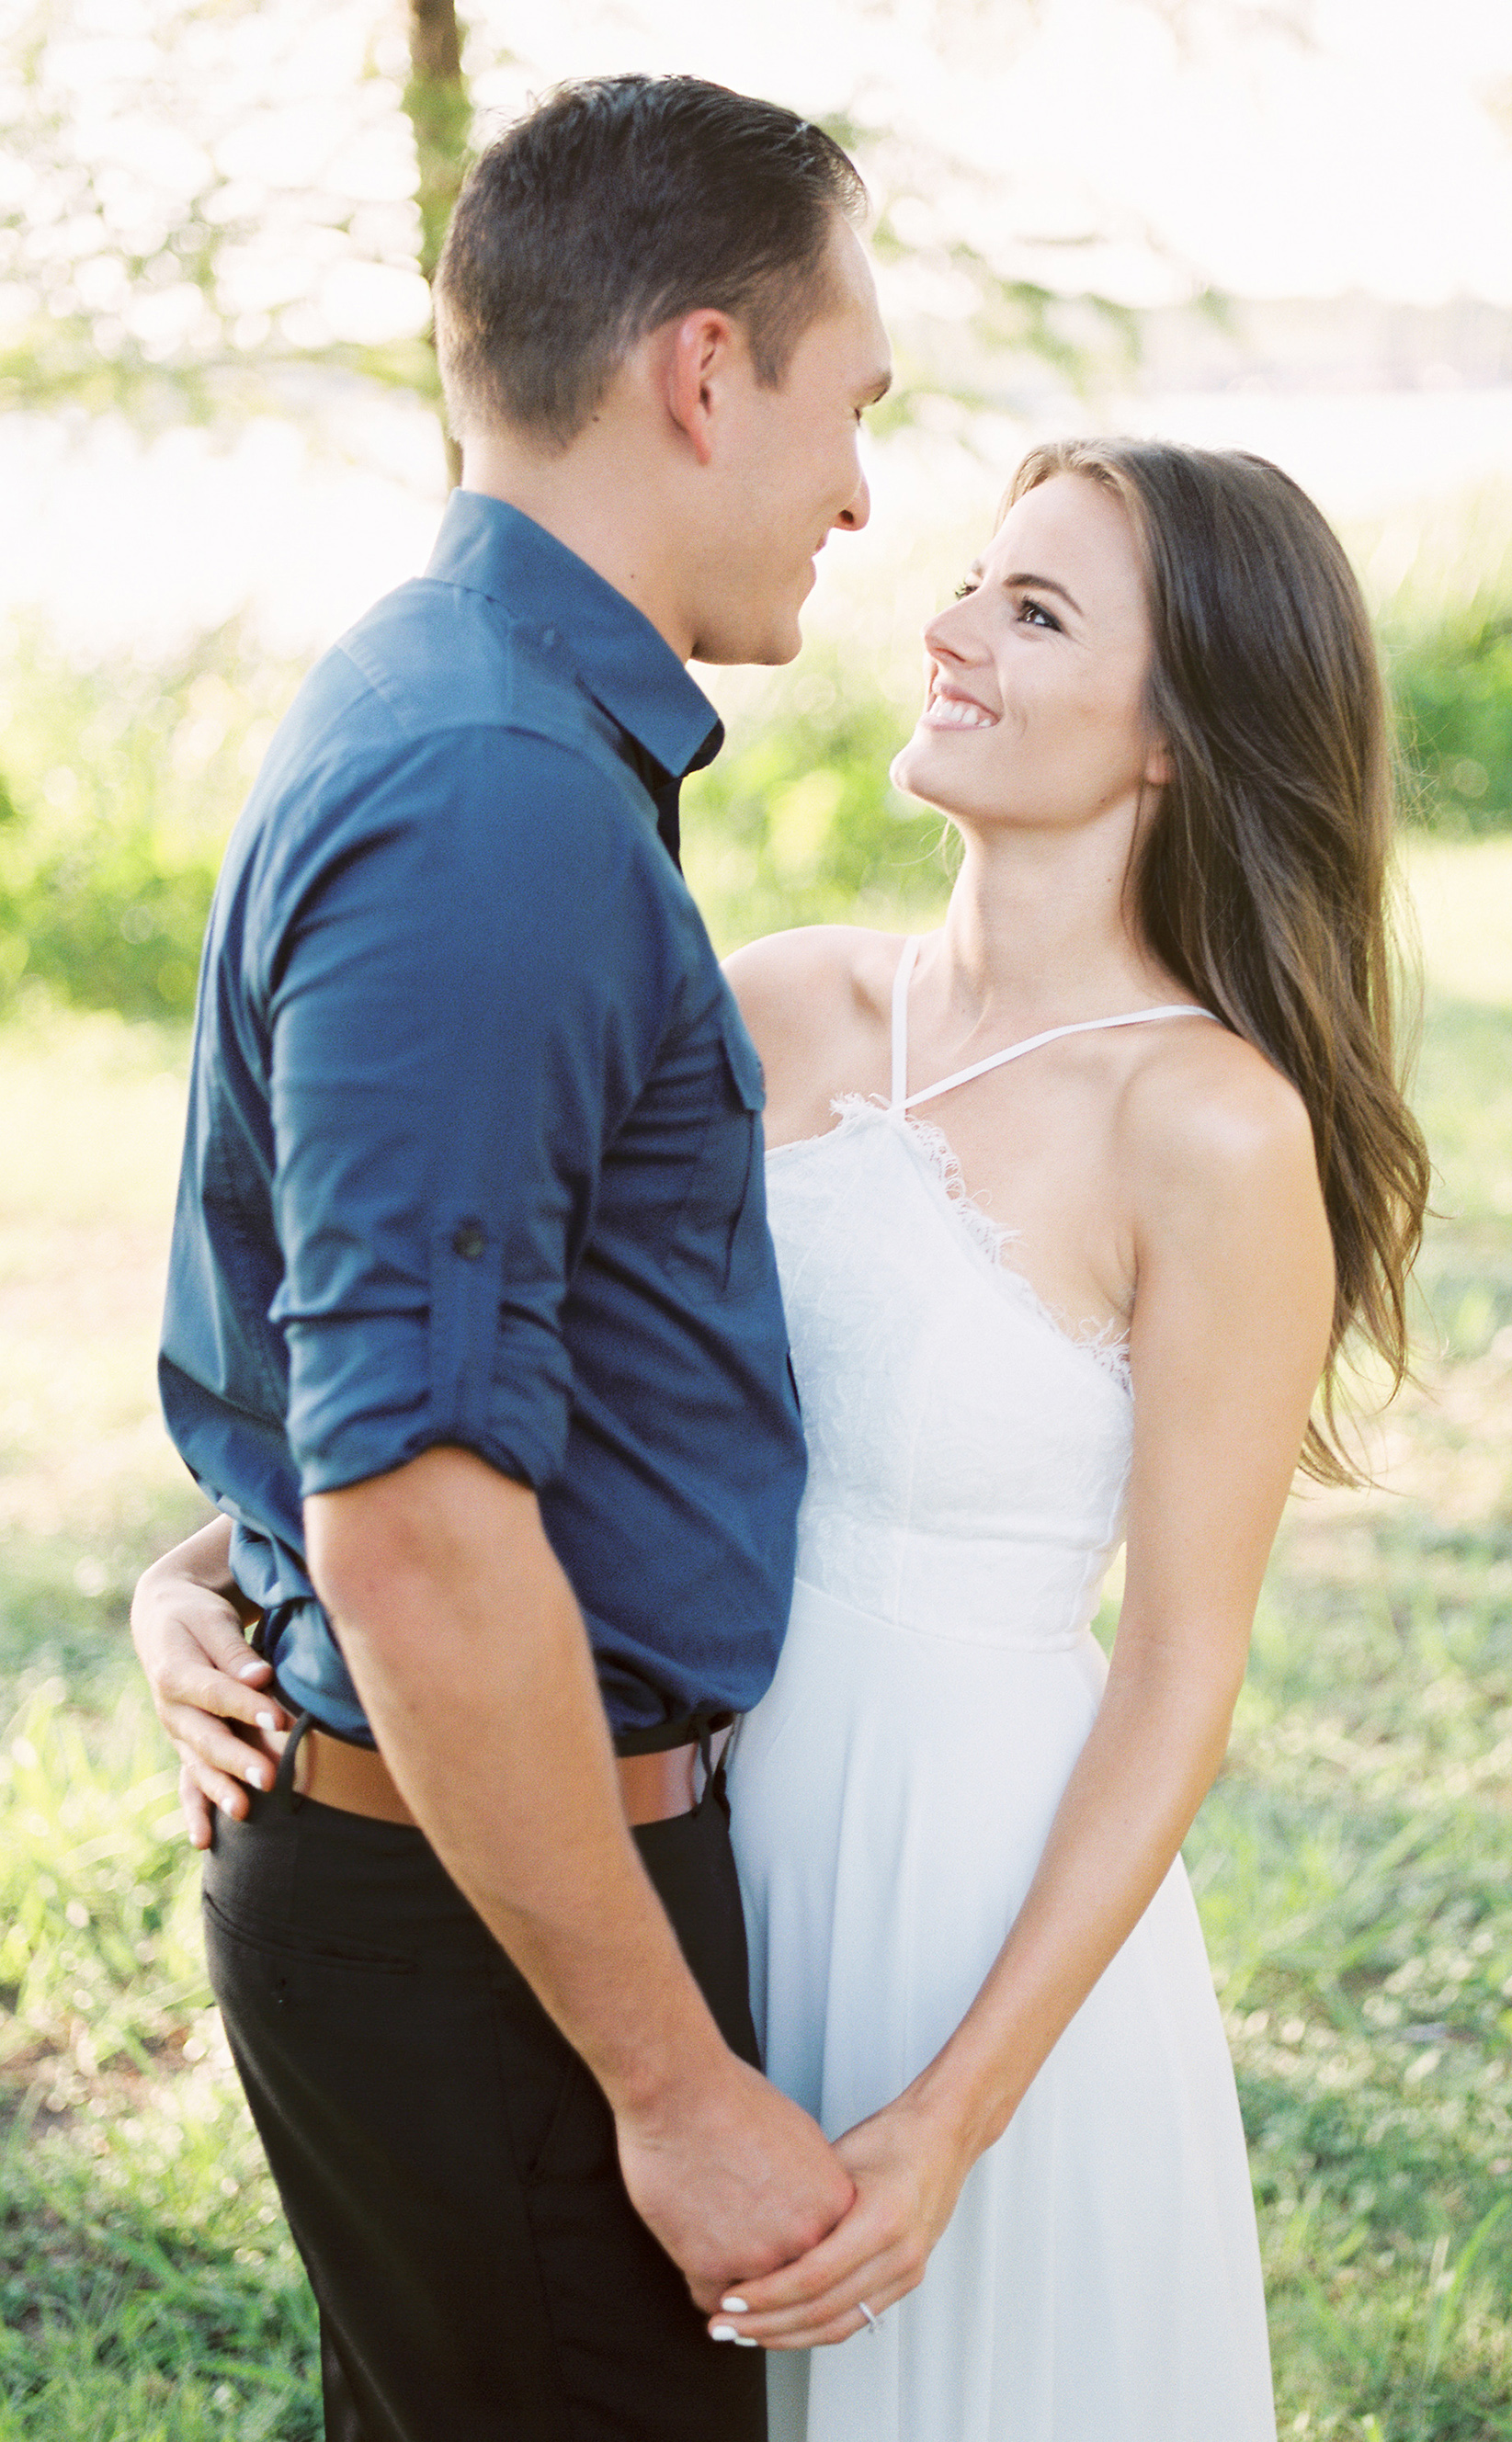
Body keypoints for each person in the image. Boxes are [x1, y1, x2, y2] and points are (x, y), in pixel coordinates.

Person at [132, 73, 894, 2442]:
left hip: (469, 1884)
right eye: (849, 403)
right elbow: (420, 1521)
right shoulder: (488, 797)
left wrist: (212, 1562)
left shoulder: (466, 711)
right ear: (699, 371)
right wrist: (667, 2088)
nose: (864, 490)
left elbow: (346, 1356)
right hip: (503, 1935)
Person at [694, 437, 1431, 2436]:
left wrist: (947, 2119)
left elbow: (1183, 1669)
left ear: (1178, 732)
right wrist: (206, 1569)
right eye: (969, 582)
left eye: (1033, 613)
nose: (945, 633)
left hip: (976, 1910)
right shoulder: (768, 1006)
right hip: (690, 1865)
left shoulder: (1203, 1125)